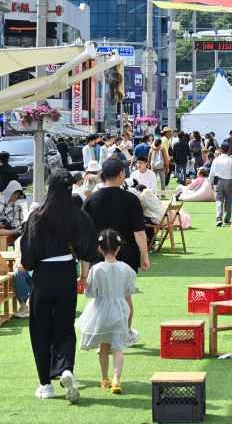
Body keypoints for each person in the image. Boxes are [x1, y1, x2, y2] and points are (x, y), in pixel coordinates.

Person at [21, 170, 98, 401]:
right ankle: (65, 369)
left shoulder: (37, 216)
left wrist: (29, 263)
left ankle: (45, 383)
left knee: (40, 328)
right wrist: (83, 271)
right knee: (65, 326)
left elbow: (28, 254)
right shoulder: (77, 214)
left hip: (43, 273)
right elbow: (88, 247)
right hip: (66, 272)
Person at [84, 158, 150, 345]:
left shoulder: (90, 200)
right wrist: (144, 255)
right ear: (121, 173)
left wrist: (86, 260)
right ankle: (124, 333)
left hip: (99, 255)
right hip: (126, 255)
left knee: (101, 298)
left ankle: (103, 335)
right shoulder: (131, 199)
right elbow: (139, 231)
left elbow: (85, 233)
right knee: (124, 297)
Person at [76, 229, 137, 395]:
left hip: (101, 311)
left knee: (103, 347)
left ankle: (104, 378)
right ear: (118, 248)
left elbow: (91, 293)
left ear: (99, 248)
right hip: (119, 309)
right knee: (118, 348)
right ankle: (117, 379)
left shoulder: (96, 269)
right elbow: (128, 292)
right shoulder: (126, 269)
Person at [209, 144, 232, 227]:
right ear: (228, 150)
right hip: (228, 181)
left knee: (219, 200)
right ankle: (227, 219)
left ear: (221, 150)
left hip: (218, 181)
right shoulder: (231, 160)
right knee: (228, 201)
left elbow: (212, 172)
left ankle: (219, 218)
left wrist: (210, 182)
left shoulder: (216, 160)